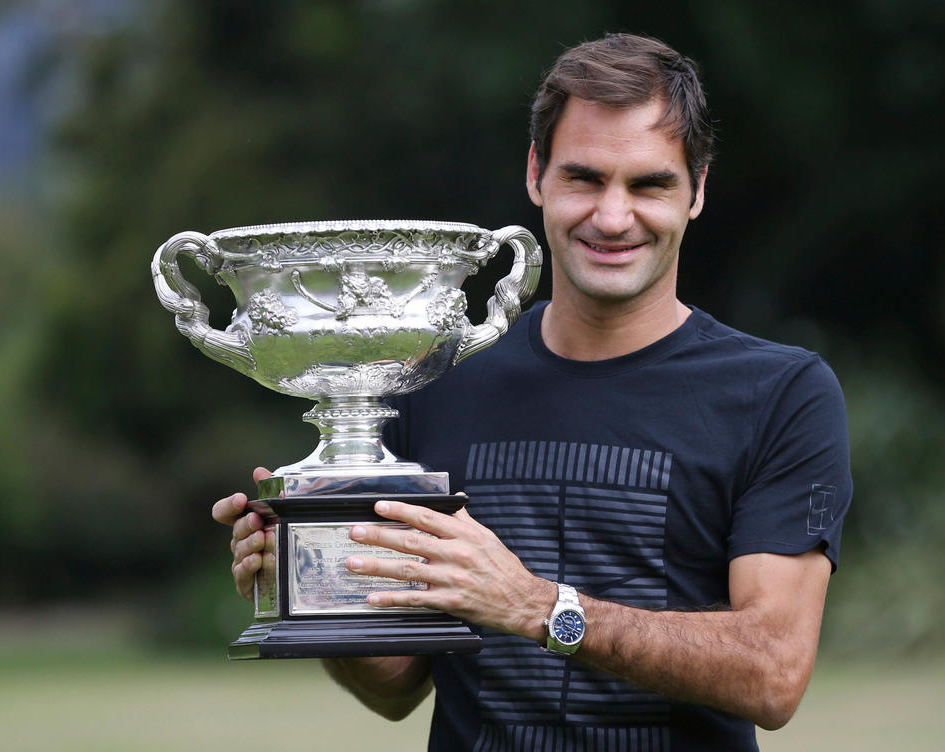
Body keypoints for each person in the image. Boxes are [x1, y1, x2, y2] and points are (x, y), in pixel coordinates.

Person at [213, 33, 852, 751]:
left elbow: (772, 674)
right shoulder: (434, 376)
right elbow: (394, 683)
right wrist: (311, 579)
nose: (613, 217)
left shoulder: (780, 392)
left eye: (649, 184)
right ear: (536, 176)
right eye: (584, 178)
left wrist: (540, 608)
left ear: (698, 189)